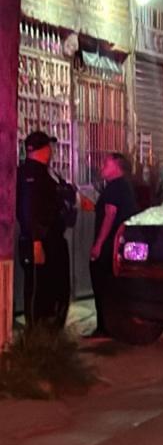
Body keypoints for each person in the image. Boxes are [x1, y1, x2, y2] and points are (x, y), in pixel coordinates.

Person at [16, 131, 72, 331]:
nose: (52, 151)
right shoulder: (30, 175)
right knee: (38, 288)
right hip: (40, 241)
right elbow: (28, 209)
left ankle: (49, 331)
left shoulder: (46, 173)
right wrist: (36, 242)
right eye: (49, 147)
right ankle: (38, 334)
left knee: (54, 287)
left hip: (51, 239)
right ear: (42, 149)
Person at [88, 153, 138, 338]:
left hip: (109, 246)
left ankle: (105, 328)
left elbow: (110, 214)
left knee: (103, 286)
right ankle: (112, 327)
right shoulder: (123, 187)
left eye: (106, 163)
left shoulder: (115, 188)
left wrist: (99, 244)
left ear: (117, 167)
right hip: (118, 246)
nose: (102, 167)